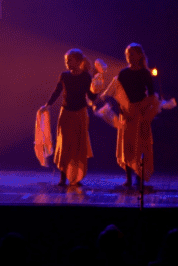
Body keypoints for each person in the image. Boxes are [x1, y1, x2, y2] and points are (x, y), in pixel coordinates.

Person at [102, 44, 160, 189]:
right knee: (127, 146)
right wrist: (121, 109)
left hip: (140, 113)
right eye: (128, 54)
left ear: (140, 55)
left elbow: (152, 95)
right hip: (126, 114)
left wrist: (144, 109)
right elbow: (114, 94)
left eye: (132, 54)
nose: (129, 57)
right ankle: (128, 178)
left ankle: (139, 176)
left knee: (141, 145)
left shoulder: (145, 73)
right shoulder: (123, 73)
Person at [45, 49, 96, 186]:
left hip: (80, 114)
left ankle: (76, 177)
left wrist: (96, 89)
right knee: (65, 145)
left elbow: (91, 97)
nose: (67, 63)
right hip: (66, 113)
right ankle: (63, 177)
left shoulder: (86, 77)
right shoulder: (64, 76)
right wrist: (48, 104)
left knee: (78, 146)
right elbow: (57, 92)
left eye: (70, 60)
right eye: (66, 60)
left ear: (79, 61)